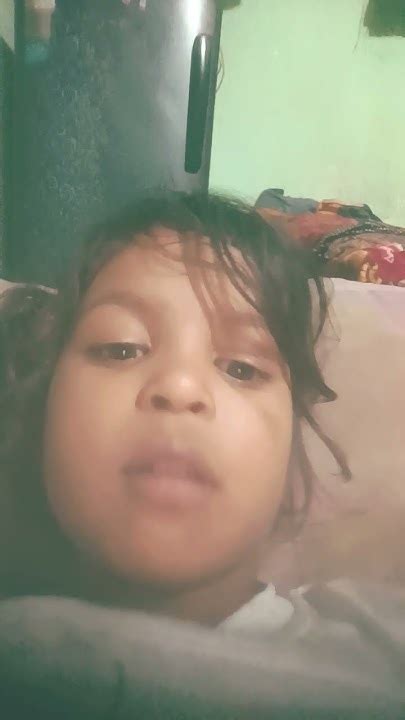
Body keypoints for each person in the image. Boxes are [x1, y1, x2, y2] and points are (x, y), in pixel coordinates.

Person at [0, 192, 404, 717]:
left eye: (241, 369)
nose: (179, 387)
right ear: (39, 416)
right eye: (121, 348)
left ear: (290, 469)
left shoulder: (378, 641)